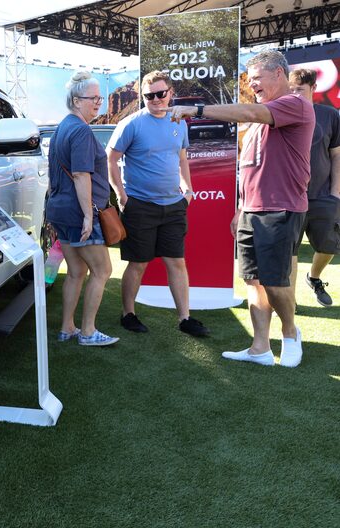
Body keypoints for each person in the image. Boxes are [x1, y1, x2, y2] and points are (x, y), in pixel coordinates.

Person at [169, 51, 315, 367]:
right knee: (253, 281)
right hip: (252, 211)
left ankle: (290, 333)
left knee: (275, 283)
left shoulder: (294, 104)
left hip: (280, 208)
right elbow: (250, 169)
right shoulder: (259, 122)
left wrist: (196, 109)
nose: (252, 85)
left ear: (279, 74)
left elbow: (249, 111)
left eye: (257, 78)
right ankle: (259, 348)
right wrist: (240, 209)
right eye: (249, 80)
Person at [106, 71, 210, 338]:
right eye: (149, 95)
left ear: (170, 93)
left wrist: (188, 188)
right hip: (140, 206)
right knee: (138, 263)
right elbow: (110, 159)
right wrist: (121, 195)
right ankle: (128, 314)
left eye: (161, 94)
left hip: (174, 205)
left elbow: (182, 158)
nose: (156, 99)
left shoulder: (179, 122)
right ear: (143, 97)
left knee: (177, 262)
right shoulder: (131, 124)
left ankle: (184, 318)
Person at [47, 71, 119, 346]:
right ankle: (88, 332)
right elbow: (80, 175)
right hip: (79, 213)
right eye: (93, 98)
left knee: (77, 271)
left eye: (100, 97)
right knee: (102, 271)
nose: (98, 102)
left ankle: (68, 328)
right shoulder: (79, 130)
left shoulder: (64, 127)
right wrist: (89, 215)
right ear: (77, 100)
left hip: (61, 211)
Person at [288, 68, 340, 307]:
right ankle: (290, 301)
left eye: (300, 89)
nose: (295, 94)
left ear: (313, 89)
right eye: (291, 89)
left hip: (323, 195)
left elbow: (337, 155)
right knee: (291, 251)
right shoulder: (282, 114)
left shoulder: (330, 115)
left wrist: (336, 192)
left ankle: (315, 277)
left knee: (329, 246)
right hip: (289, 196)